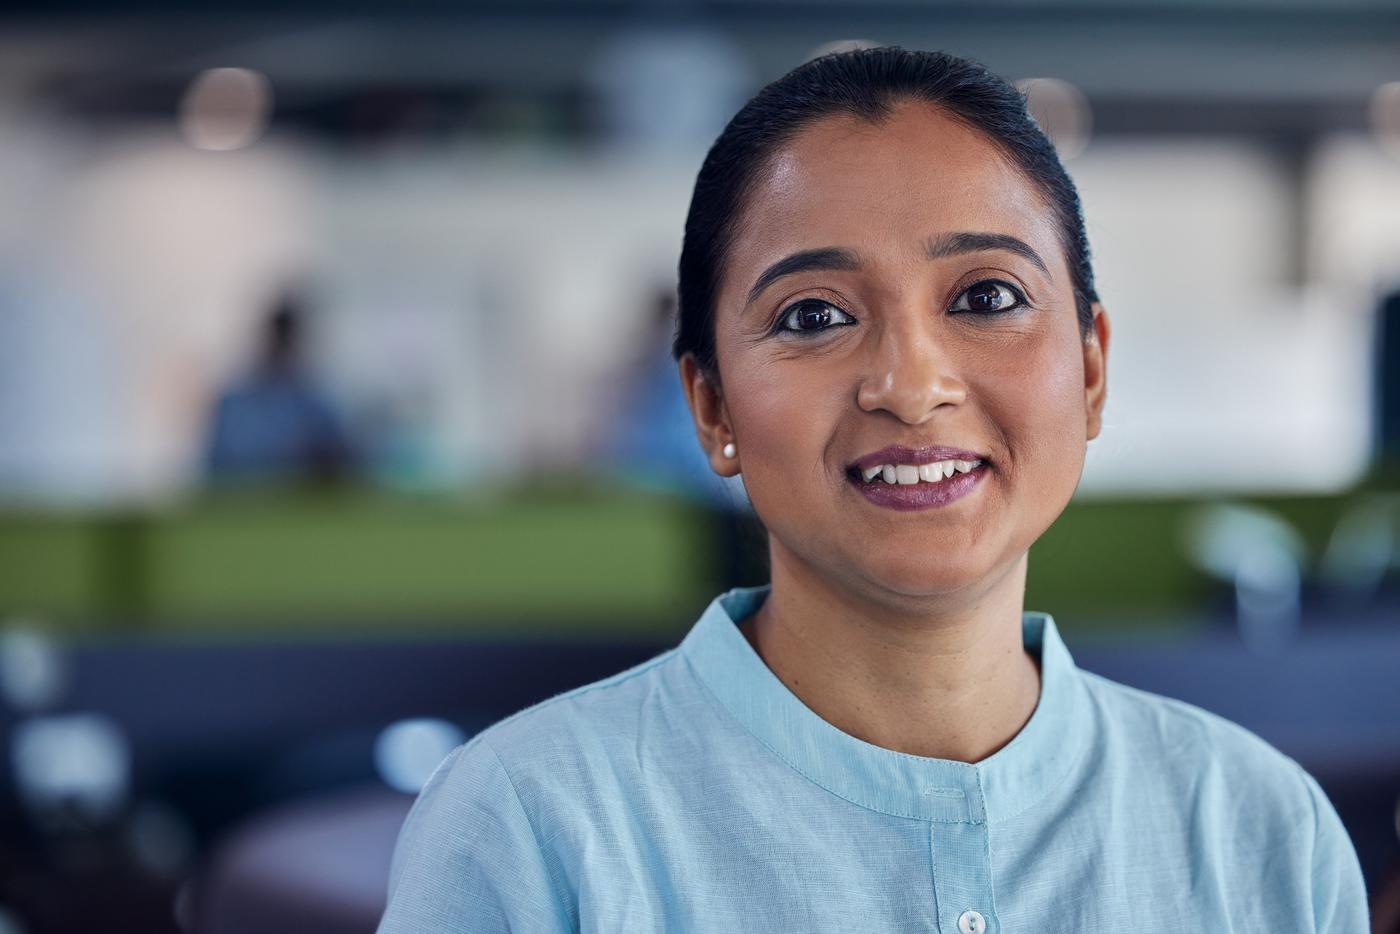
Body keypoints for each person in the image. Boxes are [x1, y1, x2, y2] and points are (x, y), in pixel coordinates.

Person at [377, 48, 1368, 932]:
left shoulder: (1259, 828)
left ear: (1092, 371)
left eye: (986, 296)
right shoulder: (529, 825)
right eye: (812, 315)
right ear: (711, 406)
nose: (910, 384)